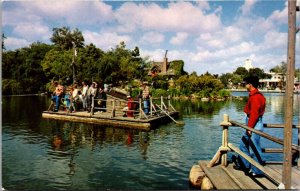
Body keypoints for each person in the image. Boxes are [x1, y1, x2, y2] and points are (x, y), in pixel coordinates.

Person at [232, 76, 266, 177]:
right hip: (252, 122)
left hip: (254, 124)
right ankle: (245, 165)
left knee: (254, 148)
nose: (245, 85)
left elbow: (254, 114)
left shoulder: (256, 97)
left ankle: (258, 171)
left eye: (245, 83)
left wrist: (249, 128)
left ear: (250, 84)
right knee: (243, 144)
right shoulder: (255, 95)